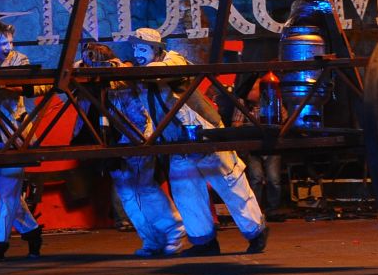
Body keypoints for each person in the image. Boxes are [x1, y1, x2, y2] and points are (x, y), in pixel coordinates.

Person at [129, 28, 269, 256]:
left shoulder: (172, 60)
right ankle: (204, 241)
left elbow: (161, 71)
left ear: (157, 49)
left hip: (206, 135)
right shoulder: (141, 75)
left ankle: (256, 231)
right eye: (135, 49)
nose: (137, 54)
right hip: (177, 143)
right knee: (187, 193)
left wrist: (129, 70)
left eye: (142, 49)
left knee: (229, 183)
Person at [85, 42, 187, 257]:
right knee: (128, 192)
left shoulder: (121, 74)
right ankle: (152, 239)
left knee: (144, 187)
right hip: (117, 139)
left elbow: (123, 83)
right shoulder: (99, 78)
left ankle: (173, 230)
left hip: (135, 136)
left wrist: (105, 66)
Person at [0, 22, 44, 261]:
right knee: (10, 192)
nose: (8, 47)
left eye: (10, 43)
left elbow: (31, 87)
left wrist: (3, 84)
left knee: (8, 194)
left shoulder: (20, 60)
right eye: (3, 43)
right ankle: (33, 233)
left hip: (15, 133)